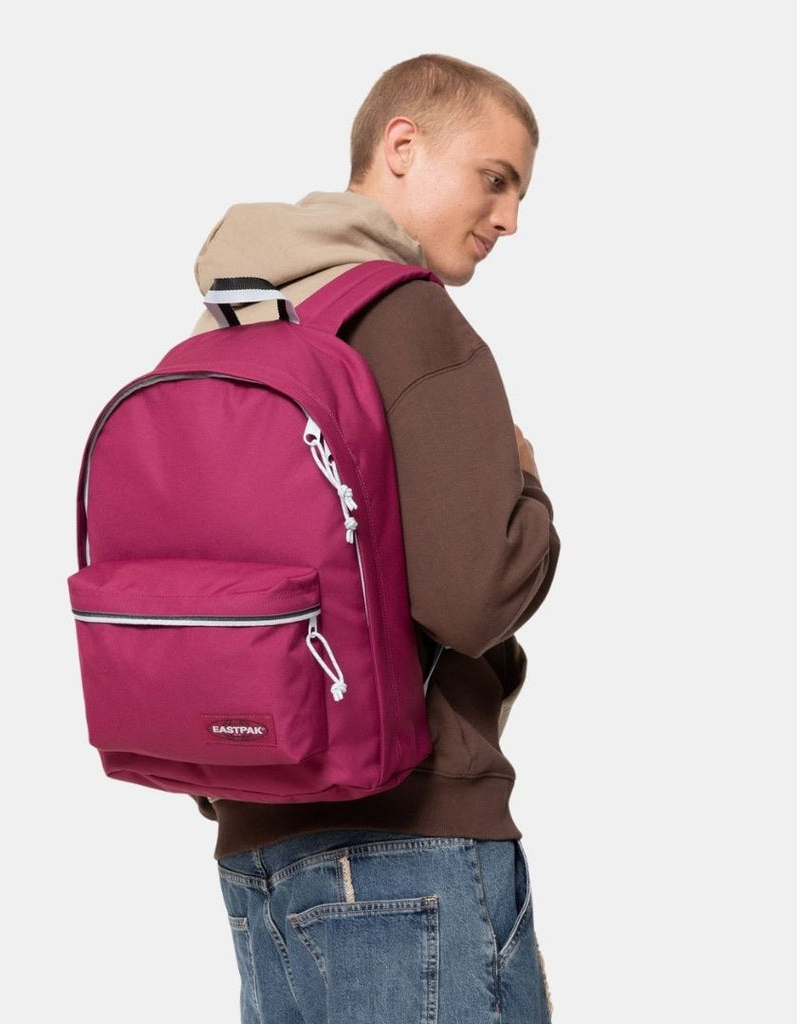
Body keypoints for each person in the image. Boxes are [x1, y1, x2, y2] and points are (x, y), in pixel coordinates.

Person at [189, 54, 560, 1023]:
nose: (510, 218)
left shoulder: (232, 333)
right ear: (402, 145)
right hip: (411, 843)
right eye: (495, 178)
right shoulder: (410, 317)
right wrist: (525, 483)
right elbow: (472, 595)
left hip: (259, 857)